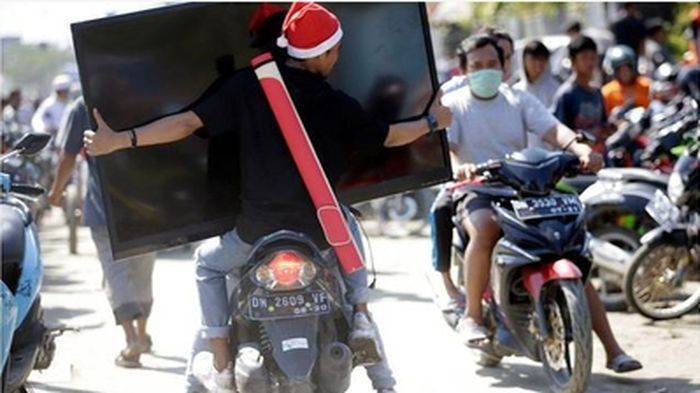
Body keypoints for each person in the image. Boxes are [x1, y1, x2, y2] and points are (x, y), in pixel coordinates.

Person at [83, 3, 451, 392]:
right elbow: (390, 136)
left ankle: (222, 363)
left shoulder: (245, 87)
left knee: (207, 267)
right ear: (322, 54)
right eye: (336, 50)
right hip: (319, 233)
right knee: (349, 244)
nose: (338, 57)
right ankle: (370, 344)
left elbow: (186, 123)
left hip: (254, 233)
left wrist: (121, 140)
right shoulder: (336, 102)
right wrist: (431, 122)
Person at [446, 33, 642, 374]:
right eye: (477, 66)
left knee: (567, 249)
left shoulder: (517, 98)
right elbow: (446, 148)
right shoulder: (456, 104)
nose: (486, 70)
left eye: (492, 64)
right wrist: (458, 167)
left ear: (504, 65)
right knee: (486, 228)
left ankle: (613, 349)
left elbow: (555, 131)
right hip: (475, 189)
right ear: (464, 69)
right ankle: (472, 315)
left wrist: (581, 150)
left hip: (522, 189)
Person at [47, 97, 157, 368]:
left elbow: (69, 155)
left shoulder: (82, 104)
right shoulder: (141, 92)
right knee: (142, 270)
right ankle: (142, 335)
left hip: (104, 207)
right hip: (147, 205)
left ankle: (132, 340)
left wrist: (56, 191)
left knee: (115, 272)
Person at [552, 36, 611, 155]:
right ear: (573, 61)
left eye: (593, 58)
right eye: (584, 58)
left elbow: (603, 125)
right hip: (576, 162)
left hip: (600, 158)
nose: (590, 62)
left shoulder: (597, 92)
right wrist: (590, 139)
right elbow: (562, 136)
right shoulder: (566, 94)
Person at [601, 45, 652, 116]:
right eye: (620, 70)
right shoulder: (607, 92)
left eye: (627, 68)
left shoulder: (646, 85)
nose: (624, 73)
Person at [31, 74, 72, 140]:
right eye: (63, 91)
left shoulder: (70, 105)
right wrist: (44, 130)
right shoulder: (48, 105)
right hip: (51, 140)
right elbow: (37, 120)